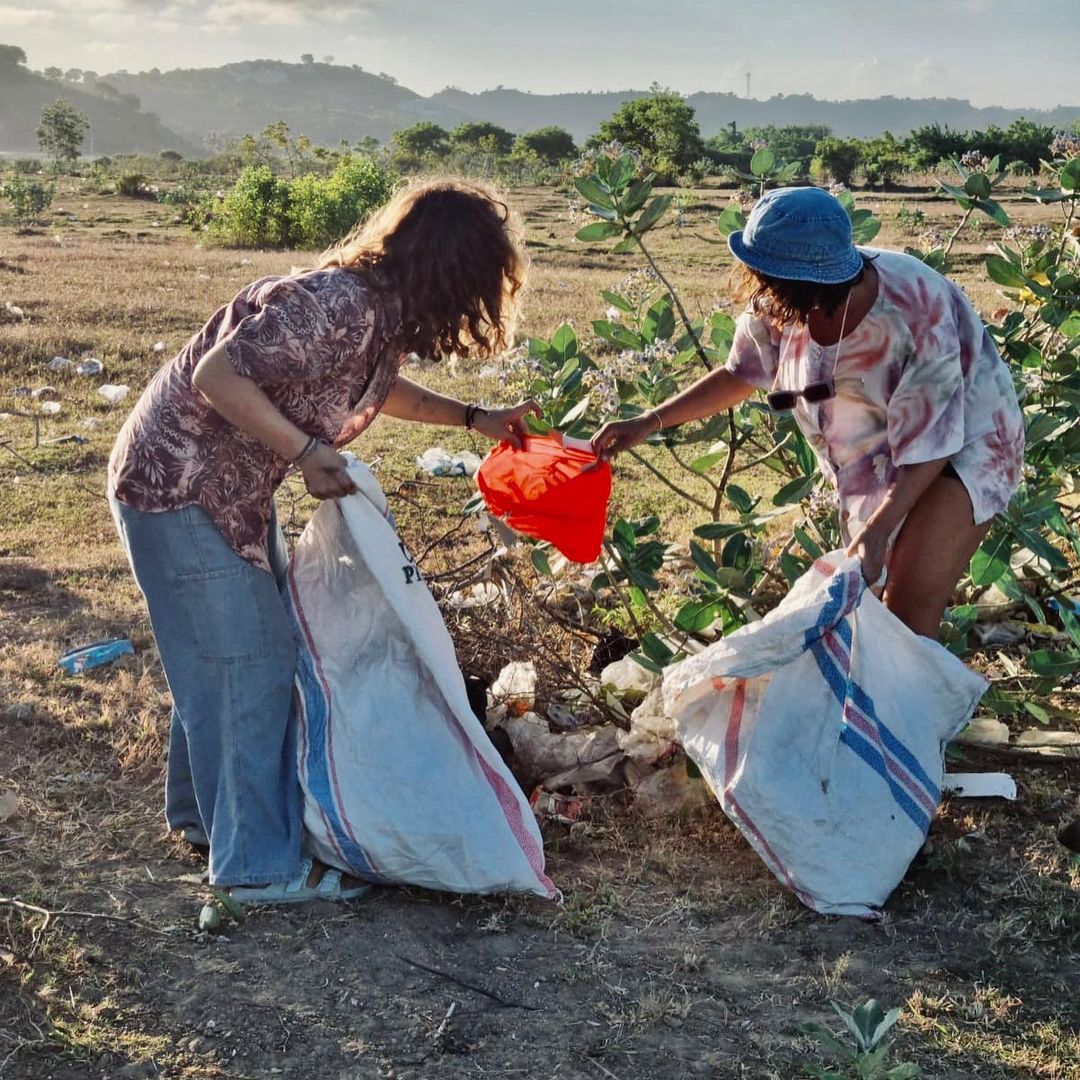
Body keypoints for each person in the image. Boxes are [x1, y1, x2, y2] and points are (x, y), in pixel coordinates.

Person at [108, 178, 537, 902]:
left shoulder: (376, 314)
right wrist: (306, 451)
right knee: (249, 662)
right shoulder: (338, 305)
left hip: (224, 488)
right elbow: (219, 375)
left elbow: (372, 390)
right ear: (450, 268)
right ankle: (256, 870)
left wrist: (475, 417)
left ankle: (204, 822)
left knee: (221, 654)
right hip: (177, 485)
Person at [592, 186, 1024, 640]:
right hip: (876, 450)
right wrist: (648, 422)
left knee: (908, 608)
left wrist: (878, 531)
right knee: (867, 607)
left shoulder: (916, 309)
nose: (763, 292)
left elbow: (935, 440)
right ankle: (867, 707)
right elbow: (741, 372)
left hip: (967, 445)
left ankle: (916, 709)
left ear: (819, 282)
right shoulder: (778, 298)